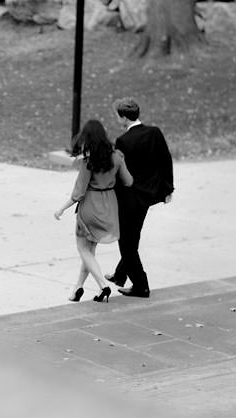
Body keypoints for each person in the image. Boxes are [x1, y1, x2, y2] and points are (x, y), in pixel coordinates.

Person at [54, 120, 133, 303]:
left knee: (83, 249)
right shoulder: (117, 156)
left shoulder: (89, 161)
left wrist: (61, 209)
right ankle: (78, 289)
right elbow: (128, 181)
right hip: (109, 207)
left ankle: (103, 286)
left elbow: (78, 193)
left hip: (90, 207)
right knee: (89, 251)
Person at [106, 98, 174, 298]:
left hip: (130, 198)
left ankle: (141, 285)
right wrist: (168, 189)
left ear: (124, 117)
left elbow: (120, 174)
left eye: (117, 115)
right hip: (148, 196)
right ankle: (120, 275)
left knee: (126, 244)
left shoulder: (123, 141)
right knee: (132, 237)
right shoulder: (154, 132)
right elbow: (165, 160)